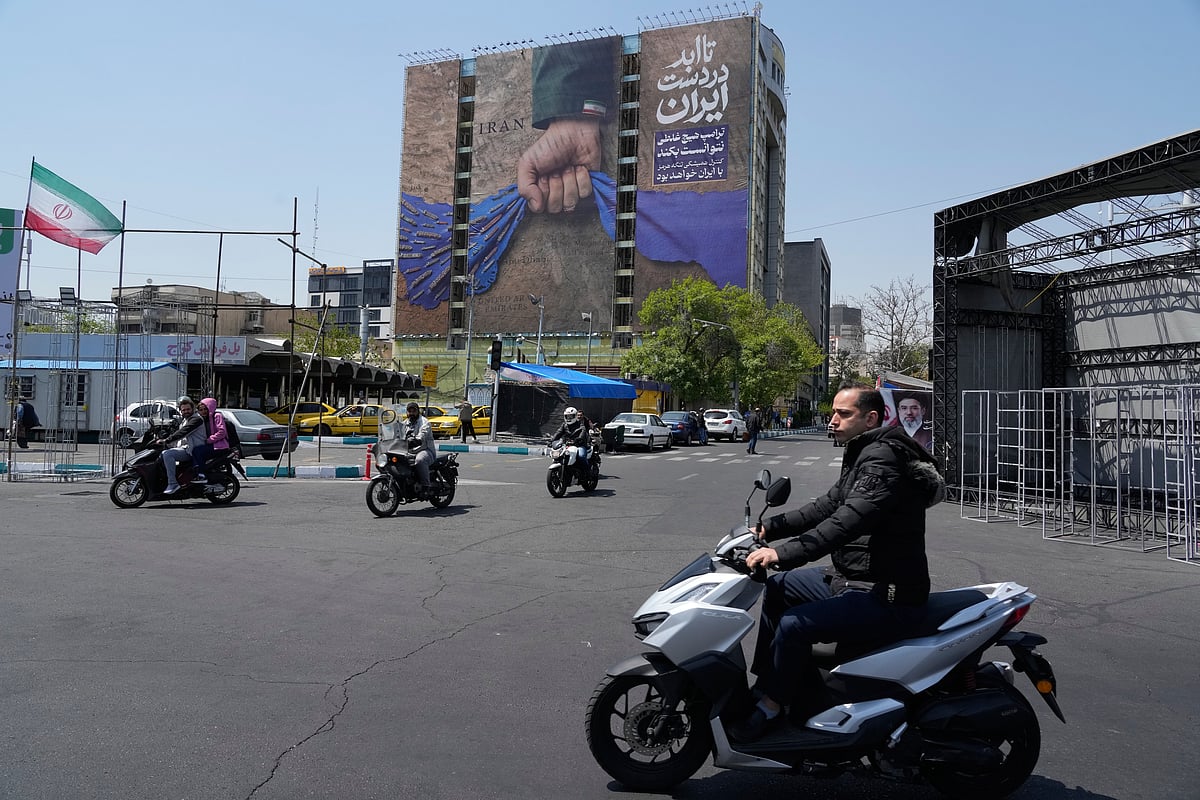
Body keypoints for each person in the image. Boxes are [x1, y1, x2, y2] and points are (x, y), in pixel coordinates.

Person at [730, 383, 945, 742]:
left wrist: (783, 553)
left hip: (887, 592)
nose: (832, 420)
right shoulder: (862, 452)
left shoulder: (883, 460)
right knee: (779, 587)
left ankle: (772, 705)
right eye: (833, 412)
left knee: (794, 624)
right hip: (853, 576)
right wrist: (769, 528)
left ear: (870, 418)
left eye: (843, 414)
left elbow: (847, 521)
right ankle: (771, 683)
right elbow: (827, 505)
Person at [157, 396, 208, 495]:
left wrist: (166, 441)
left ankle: (173, 483)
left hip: (191, 450)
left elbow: (183, 432)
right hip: (185, 448)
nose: (186, 411)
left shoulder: (196, 419)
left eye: (188, 409)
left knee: (167, 454)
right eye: (183, 410)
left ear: (192, 409)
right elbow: (178, 433)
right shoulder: (185, 420)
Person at [187, 398, 230, 483]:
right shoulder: (204, 419)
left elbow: (222, 432)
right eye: (201, 410)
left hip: (220, 446)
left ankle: (201, 475)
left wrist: (209, 440)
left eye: (205, 409)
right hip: (212, 445)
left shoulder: (217, 416)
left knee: (197, 451)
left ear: (210, 407)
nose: (203, 411)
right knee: (195, 450)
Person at [399, 401, 436, 496]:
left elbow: (422, 434)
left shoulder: (424, 422)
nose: (411, 413)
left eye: (413, 411)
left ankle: (425, 486)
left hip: (425, 450)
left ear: (418, 411)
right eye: (409, 411)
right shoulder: (404, 423)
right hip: (409, 451)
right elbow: (397, 434)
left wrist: (416, 440)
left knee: (420, 460)